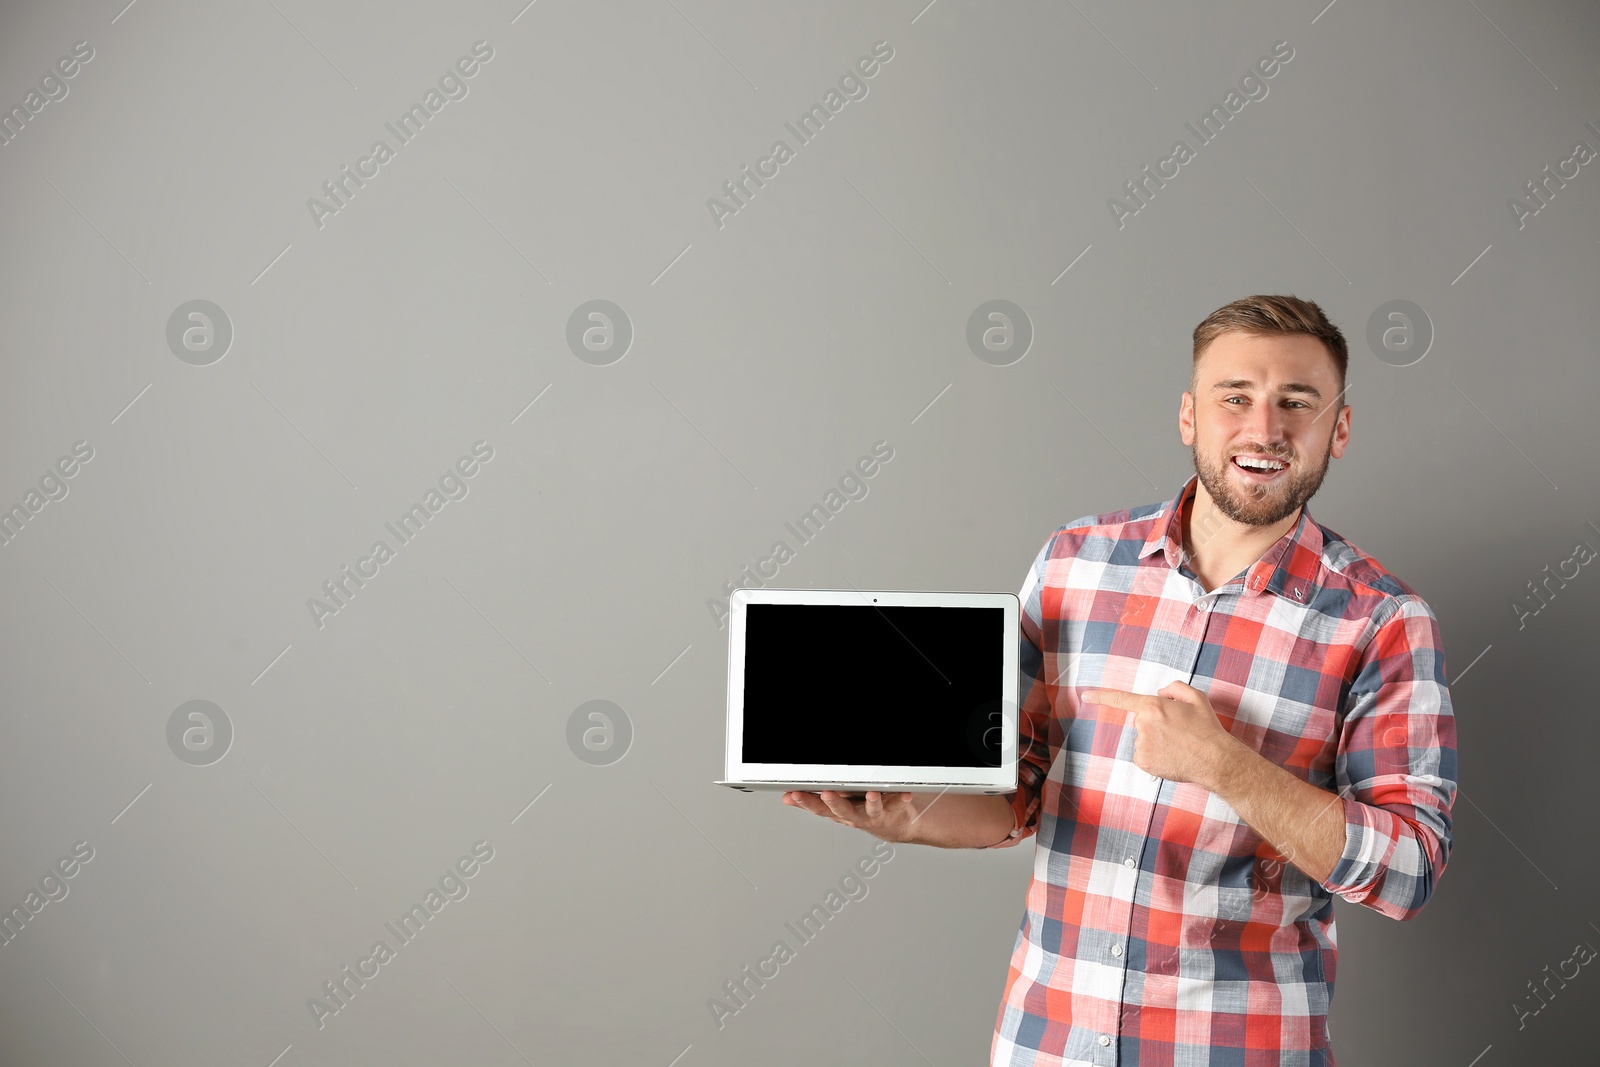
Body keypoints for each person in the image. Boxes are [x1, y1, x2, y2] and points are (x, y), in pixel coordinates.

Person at [783, 294, 1457, 1066]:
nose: (1264, 428)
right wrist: (905, 819)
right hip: (1048, 1041)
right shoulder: (1076, 561)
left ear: (1337, 428)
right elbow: (1014, 793)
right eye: (1234, 397)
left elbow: (1410, 870)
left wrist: (1222, 764)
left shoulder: (1383, 622)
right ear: (1188, 417)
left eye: (1295, 402)